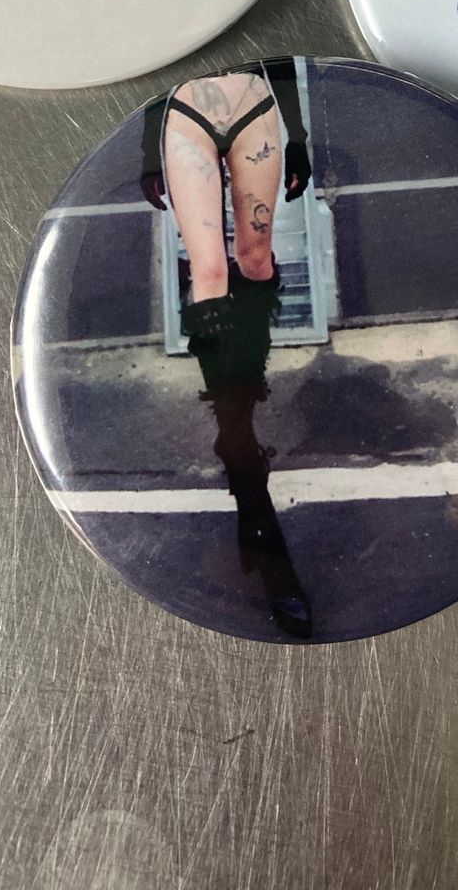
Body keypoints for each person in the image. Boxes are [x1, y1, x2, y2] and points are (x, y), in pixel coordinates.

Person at [140, 60, 313, 638]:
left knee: (255, 260)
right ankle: (240, 451)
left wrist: (298, 135)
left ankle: (242, 397)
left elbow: (280, 54)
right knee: (209, 270)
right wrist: (146, 148)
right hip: (186, 110)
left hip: (252, 104)